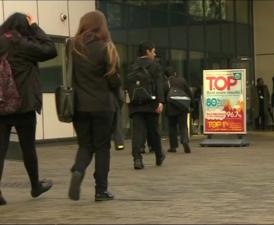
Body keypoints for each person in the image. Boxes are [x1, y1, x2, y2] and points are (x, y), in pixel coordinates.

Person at [0, 13, 57, 205]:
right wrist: (35, 27)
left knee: (0, 149)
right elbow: (50, 49)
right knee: (28, 147)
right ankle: (35, 186)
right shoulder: (22, 44)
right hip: (23, 105)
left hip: (1, 106)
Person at [68, 11, 121, 202]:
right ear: (101, 26)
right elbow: (114, 79)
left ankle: (78, 170)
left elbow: (69, 76)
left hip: (79, 106)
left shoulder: (73, 47)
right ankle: (101, 190)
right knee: (102, 147)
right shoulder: (106, 47)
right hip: (103, 106)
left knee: (85, 145)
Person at [126, 41, 165, 170]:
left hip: (135, 104)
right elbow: (159, 84)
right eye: (153, 51)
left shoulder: (132, 65)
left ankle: (137, 159)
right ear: (147, 51)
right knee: (153, 131)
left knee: (137, 132)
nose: (154, 54)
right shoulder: (155, 65)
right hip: (151, 103)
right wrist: (160, 101)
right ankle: (159, 155)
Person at [165, 66, 192, 153]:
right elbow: (189, 93)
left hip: (171, 108)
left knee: (172, 127)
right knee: (183, 125)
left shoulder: (166, 82)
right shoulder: (182, 80)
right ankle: (185, 141)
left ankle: (173, 147)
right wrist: (191, 105)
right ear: (175, 73)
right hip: (182, 106)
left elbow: (164, 94)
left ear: (166, 75)